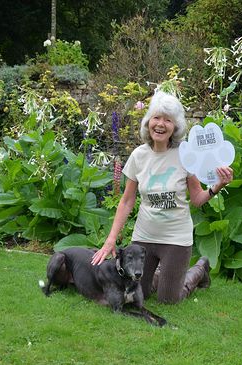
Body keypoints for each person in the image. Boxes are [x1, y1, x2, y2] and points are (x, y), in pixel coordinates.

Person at [92, 91, 233, 304]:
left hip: (176, 239)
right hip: (144, 238)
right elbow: (127, 200)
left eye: (168, 120)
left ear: (175, 128)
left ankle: (198, 270)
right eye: (156, 118)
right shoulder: (139, 155)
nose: (160, 124)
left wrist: (218, 186)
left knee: (168, 299)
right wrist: (111, 240)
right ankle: (166, 277)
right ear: (148, 122)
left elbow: (196, 198)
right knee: (141, 294)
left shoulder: (185, 156)